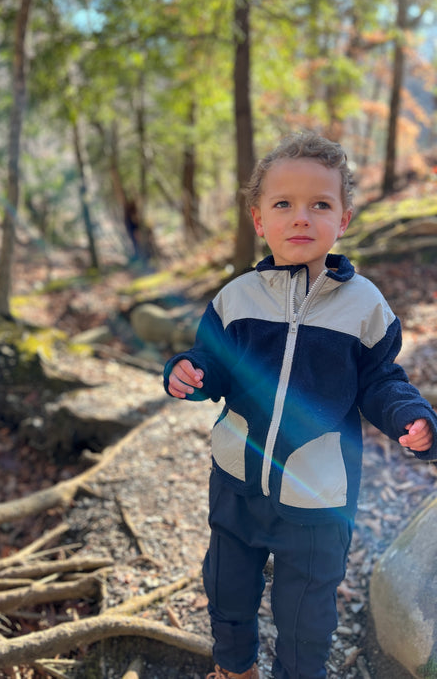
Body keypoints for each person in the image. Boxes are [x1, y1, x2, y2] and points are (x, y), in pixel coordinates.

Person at [163, 131, 437, 679]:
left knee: (307, 614)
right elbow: (212, 363)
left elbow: (381, 379)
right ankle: (235, 669)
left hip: (318, 492)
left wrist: (412, 416)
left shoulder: (364, 307)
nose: (301, 218)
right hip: (237, 479)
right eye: (283, 204)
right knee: (225, 589)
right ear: (259, 219)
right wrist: (188, 374)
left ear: (344, 219)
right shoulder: (236, 299)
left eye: (320, 204)